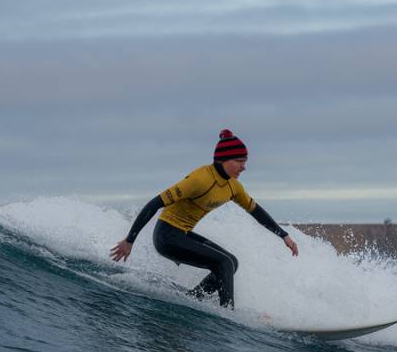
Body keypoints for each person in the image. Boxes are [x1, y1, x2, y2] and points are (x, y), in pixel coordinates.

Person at [110, 129, 299, 308]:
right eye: (240, 161)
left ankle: (194, 299)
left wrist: (284, 235)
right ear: (224, 159)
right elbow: (154, 203)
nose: (244, 167)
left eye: (245, 161)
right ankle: (228, 314)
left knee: (232, 262)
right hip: (166, 236)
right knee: (223, 263)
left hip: (183, 233)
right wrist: (129, 240)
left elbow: (256, 211)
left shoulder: (234, 186)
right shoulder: (200, 179)